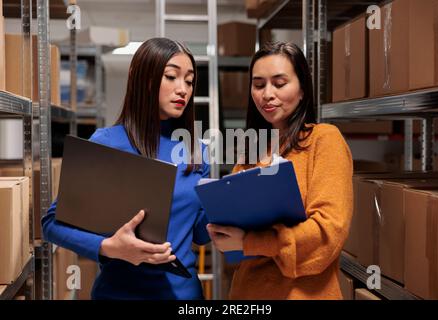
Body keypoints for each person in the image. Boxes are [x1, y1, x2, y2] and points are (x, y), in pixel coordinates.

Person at [42, 38, 210, 300]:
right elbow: (52, 224)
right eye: (171, 77)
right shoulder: (106, 143)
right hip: (119, 293)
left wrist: (226, 204)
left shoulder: (197, 151)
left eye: (189, 81)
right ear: (144, 79)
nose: (183, 89)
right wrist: (110, 247)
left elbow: (200, 234)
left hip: (184, 296)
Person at [207, 41, 353, 300]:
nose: (267, 94)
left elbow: (329, 231)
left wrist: (250, 242)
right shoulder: (252, 152)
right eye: (259, 84)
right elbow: (235, 243)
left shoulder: (324, 140)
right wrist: (223, 232)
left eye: (280, 83)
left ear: (302, 89)